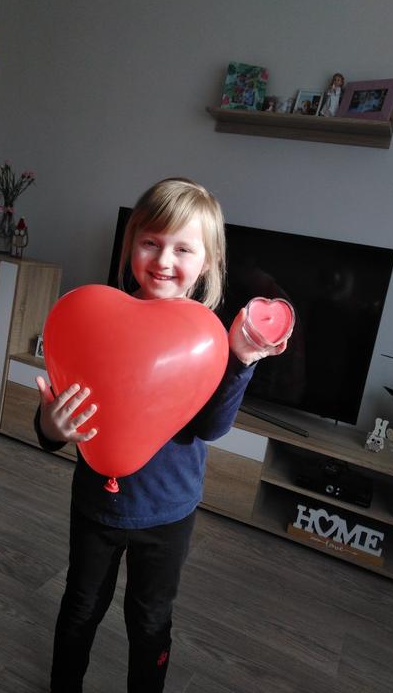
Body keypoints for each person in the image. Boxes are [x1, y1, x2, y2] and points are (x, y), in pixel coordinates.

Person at [34, 178, 287, 693]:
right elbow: (57, 423)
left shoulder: (206, 339)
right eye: (150, 241)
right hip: (96, 506)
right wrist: (50, 426)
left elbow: (211, 427)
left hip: (169, 513)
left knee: (150, 619)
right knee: (81, 606)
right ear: (131, 245)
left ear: (209, 262)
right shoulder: (96, 319)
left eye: (183, 248)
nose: (163, 260)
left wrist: (240, 361)